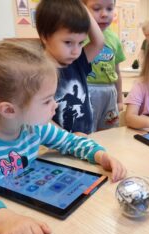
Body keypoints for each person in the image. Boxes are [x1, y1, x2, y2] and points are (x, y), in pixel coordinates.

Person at [0, 41, 127, 234]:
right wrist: (4, 220)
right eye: (47, 101)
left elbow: (69, 140)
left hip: (29, 205)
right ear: (9, 110)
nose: (55, 106)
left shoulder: (33, 128)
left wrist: (100, 155)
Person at [35, 0, 104, 134]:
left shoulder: (77, 61)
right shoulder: (36, 71)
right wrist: (69, 139)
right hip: (55, 149)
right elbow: (38, 119)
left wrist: (81, 6)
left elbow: (99, 42)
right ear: (45, 36)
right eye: (68, 42)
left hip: (84, 142)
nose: (76, 51)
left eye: (81, 43)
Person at [83, 0, 126, 131]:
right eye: (96, 9)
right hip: (87, 91)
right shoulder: (79, 36)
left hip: (109, 92)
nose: (104, 14)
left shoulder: (114, 38)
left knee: (109, 129)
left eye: (109, 8)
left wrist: (119, 99)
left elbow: (117, 71)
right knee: (87, 130)